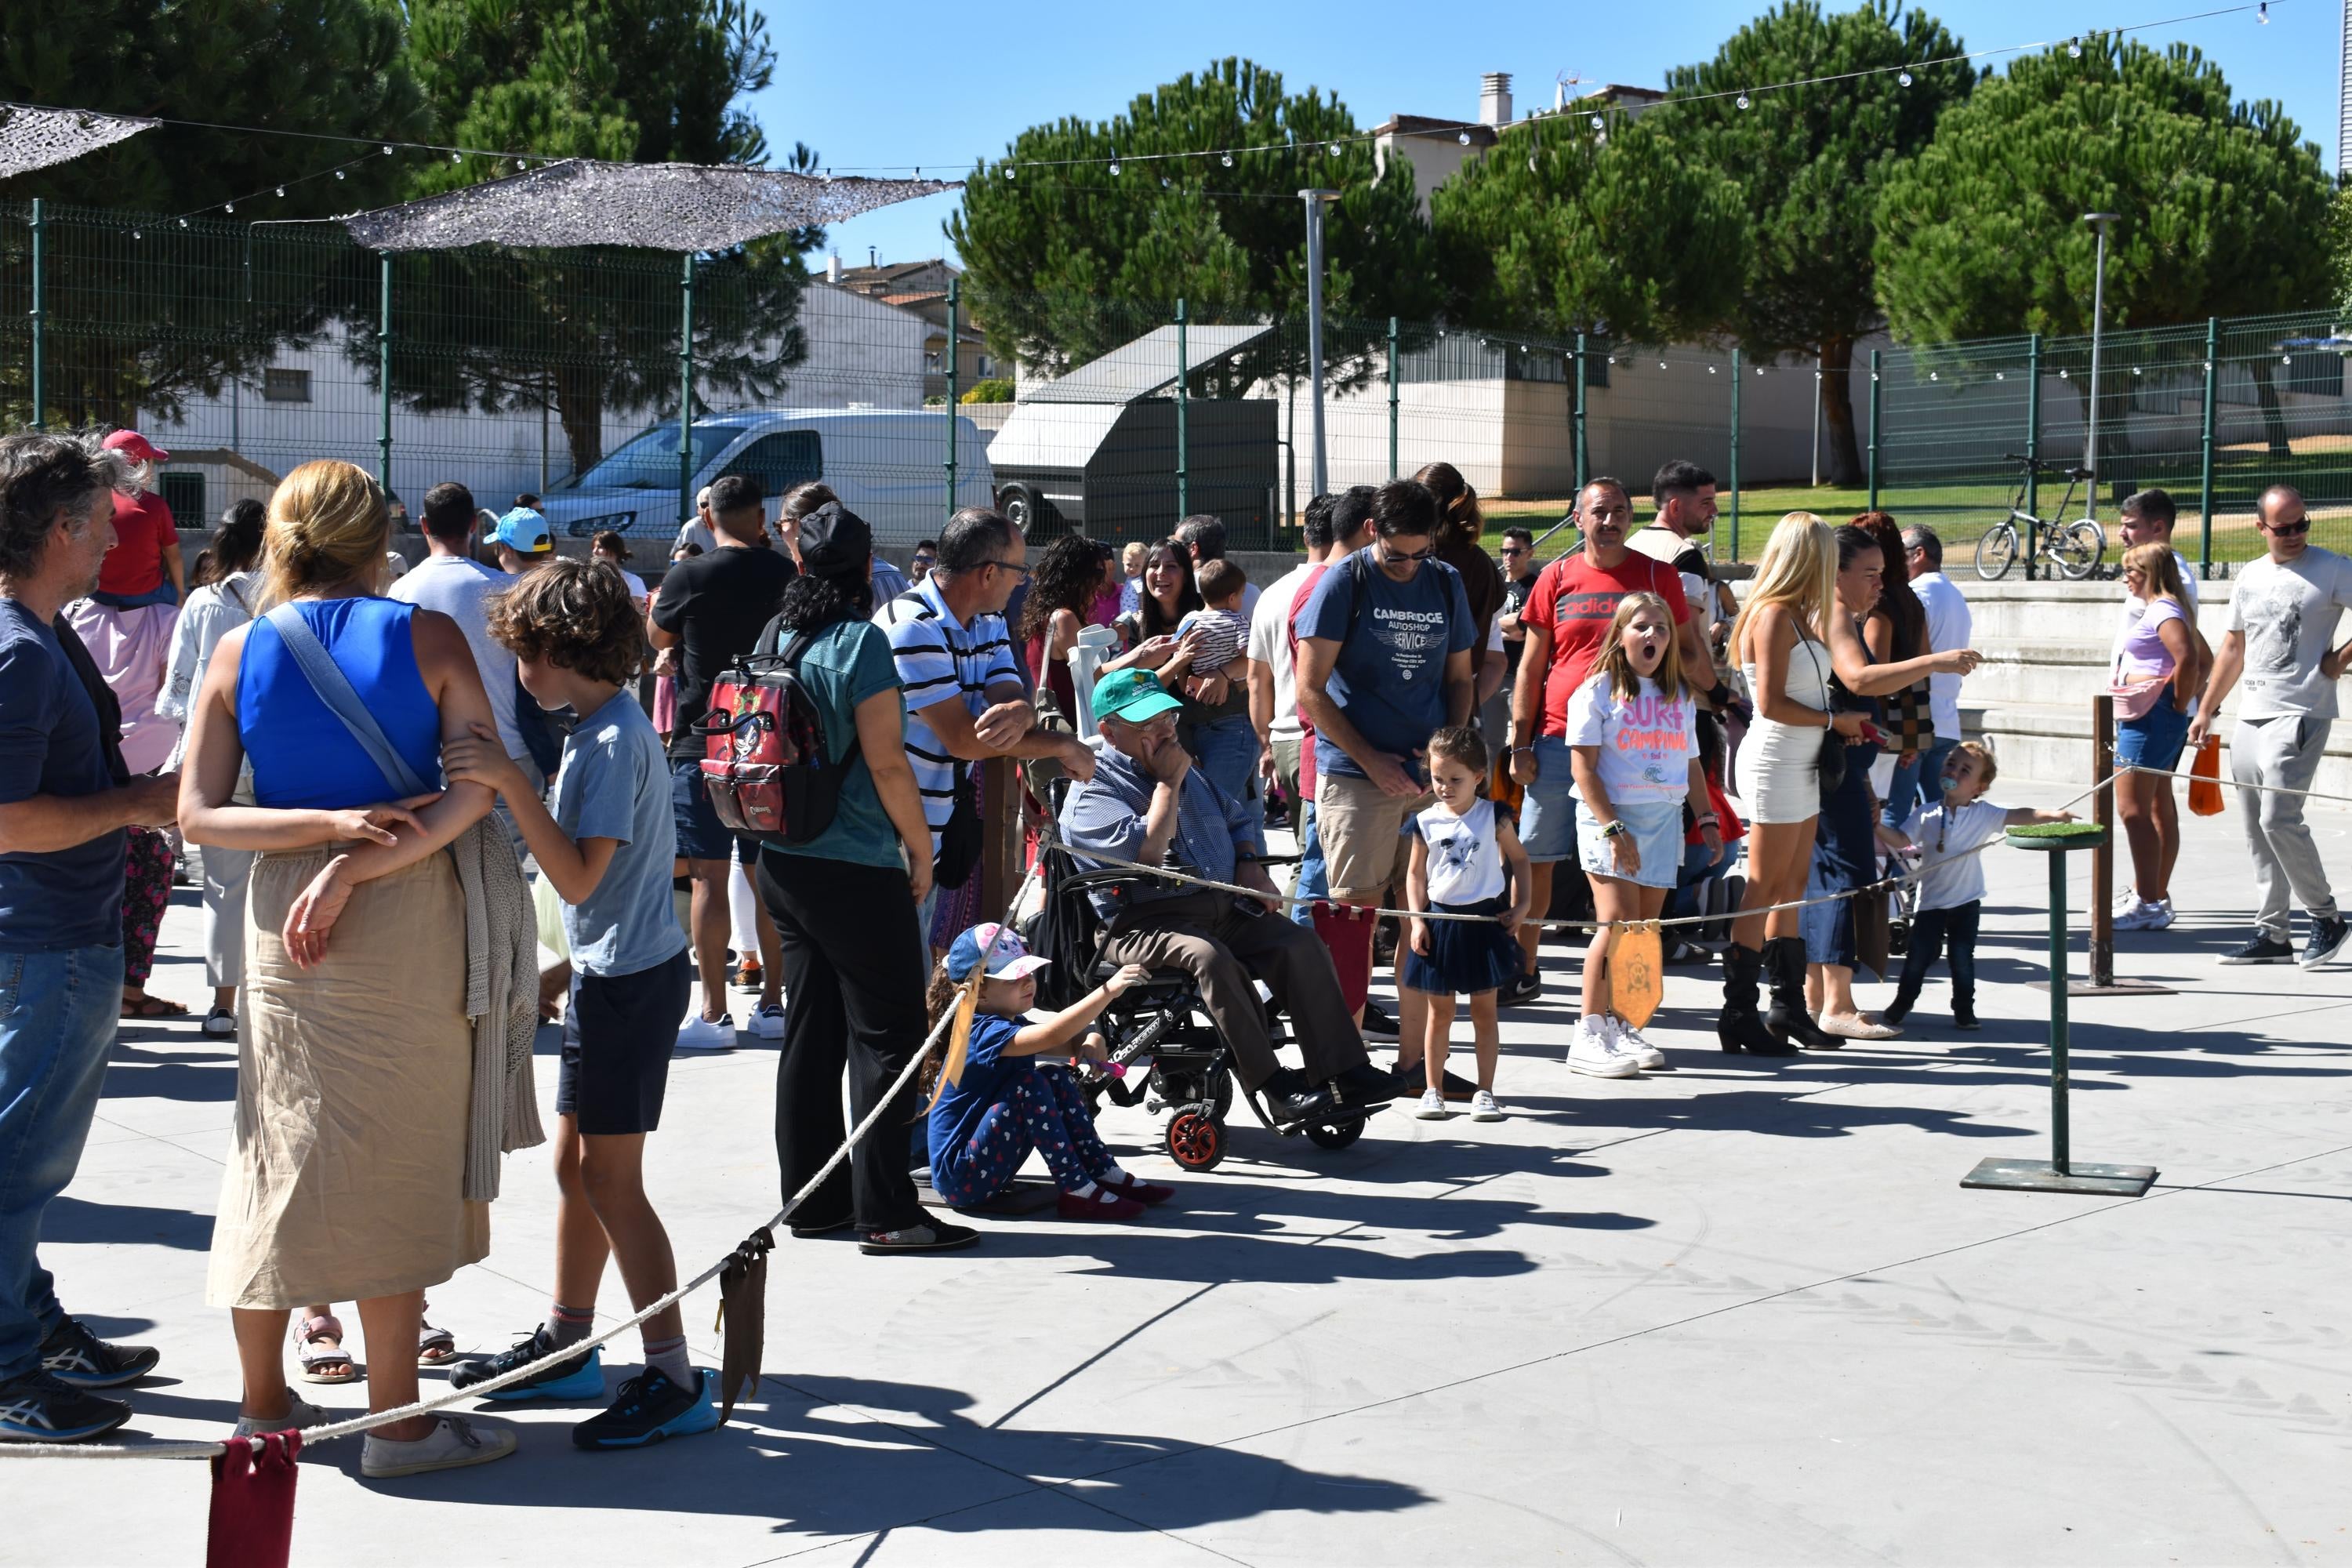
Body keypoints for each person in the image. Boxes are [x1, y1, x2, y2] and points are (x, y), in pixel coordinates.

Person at [180, 458, 525, 1477]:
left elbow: (198, 814)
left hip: (280, 918)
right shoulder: (427, 636)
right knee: (394, 1158)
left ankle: (259, 1409)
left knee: (275, 1148)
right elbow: (474, 790)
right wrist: (357, 855)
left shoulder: (241, 648)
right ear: (379, 538)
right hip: (409, 907)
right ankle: (397, 1425)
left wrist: (320, 842)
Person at [434, 558, 718, 1445]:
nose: (516, 668)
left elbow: (576, 874)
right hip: (610, 975)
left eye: (522, 652)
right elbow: (597, 893)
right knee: (574, 1167)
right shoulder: (606, 725)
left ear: (558, 653)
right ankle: (568, 1340)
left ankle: (673, 1372)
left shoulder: (604, 742)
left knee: (611, 1180)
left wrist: (511, 782)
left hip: (632, 985)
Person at [0, 431, 181, 1444]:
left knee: (22, 1159)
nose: (121, 529)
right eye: (105, 517)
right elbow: (8, 819)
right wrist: (136, 804)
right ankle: (9, 1372)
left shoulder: (44, 631)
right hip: (46, 943)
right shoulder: (21, 651)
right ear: (63, 531)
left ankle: (30, 1328)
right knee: (17, 1163)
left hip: (56, 940)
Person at [755, 503, 971, 1254]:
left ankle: (812, 1204)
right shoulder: (861, 645)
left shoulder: (775, 633)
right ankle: (889, 1211)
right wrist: (921, 850)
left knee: (810, 1033)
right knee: (889, 1036)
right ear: (865, 566)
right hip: (854, 864)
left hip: (781, 859)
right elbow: (887, 763)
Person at [1063, 669, 1393, 1121]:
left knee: (1298, 944)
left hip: (1220, 905)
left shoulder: (1183, 768)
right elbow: (1150, 850)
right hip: (1142, 923)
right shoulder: (1092, 790)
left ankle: (1345, 1071)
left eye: (1168, 721)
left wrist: (1249, 863)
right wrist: (1167, 783)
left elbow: (1238, 819)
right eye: (1147, 727)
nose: (1163, 734)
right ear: (1109, 732)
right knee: (1209, 958)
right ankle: (1275, 1087)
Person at [1508, 477, 1719, 1008]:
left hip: (1636, 752)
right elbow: (1532, 667)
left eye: (1620, 510)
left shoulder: (1657, 576)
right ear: (1578, 519)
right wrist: (1520, 741)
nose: (1610, 520)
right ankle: (1519, 969)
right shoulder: (1555, 577)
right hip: (1560, 741)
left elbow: (1688, 652)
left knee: (1631, 907)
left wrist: (1692, 690)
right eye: (1599, 511)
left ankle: (1627, 1011)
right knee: (1536, 861)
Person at [1294, 479, 1476, 1084]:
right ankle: (1343, 1063)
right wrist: (1372, 760)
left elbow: (1460, 678)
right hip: (1356, 778)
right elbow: (1309, 690)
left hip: (1427, 779)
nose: (1408, 567)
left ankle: (1418, 1065)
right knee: (1351, 920)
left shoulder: (1445, 582)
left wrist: (1447, 752)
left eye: (1420, 554)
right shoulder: (1342, 582)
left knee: (1424, 914)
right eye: (1397, 554)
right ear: (1372, 531)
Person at [874, 506, 1093, 954]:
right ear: (990, 573)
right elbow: (965, 739)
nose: (1023, 581)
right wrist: (1062, 745)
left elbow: (1010, 691)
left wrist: (1022, 711)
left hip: (934, 831)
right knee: (895, 994)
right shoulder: (913, 627)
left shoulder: (988, 619)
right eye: (1019, 570)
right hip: (891, 838)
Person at [1802, 523, 1979, 1043]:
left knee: (1825, 878)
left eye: (1885, 572)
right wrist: (1937, 661)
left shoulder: (1838, 612)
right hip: (1832, 766)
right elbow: (1859, 678)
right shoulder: (1834, 613)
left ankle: (1816, 998)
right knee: (1845, 877)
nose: (1882, 584)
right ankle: (1834, 1003)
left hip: (1844, 764)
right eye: (1872, 574)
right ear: (1838, 574)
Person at [649, 473, 793, 1044]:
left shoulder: (689, 574)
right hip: (771, 741)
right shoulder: (786, 573)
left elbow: (657, 638)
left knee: (707, 878)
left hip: (702, 740)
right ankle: (775, 1004)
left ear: (709, 520)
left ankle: (712, 1013)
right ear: (761, 520)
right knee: (770, 874)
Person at [2187, 484, 2352, 967]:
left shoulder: (2333, 567)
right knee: (2256, 828)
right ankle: (2273, 933)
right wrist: (2206, 709)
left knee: (2279, 819)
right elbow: (2234, 649)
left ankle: (2326, 916)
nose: (2297, 533)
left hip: (2301, 711)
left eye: (2303, 523)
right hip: (2252, 712)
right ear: (2262, 527)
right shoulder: (2250, 577)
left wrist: (2340, 659)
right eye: (2285, 527)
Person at [920, 926, 1173, 1220]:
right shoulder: (980, 1032)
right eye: (1015, 977)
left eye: (1029, 973)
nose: (1029, 981)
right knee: (1029, 1085)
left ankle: (1103, 1173)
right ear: (980, 991)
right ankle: (1076, 1189)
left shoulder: (1008, 1023)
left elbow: (1065, 1040)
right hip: (961, 1179)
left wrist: (1092, 1039)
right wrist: (1108, 991)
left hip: (983, 1164)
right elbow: (1052, 1034)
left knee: (1055, 1075)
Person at [1564, 593, 1716, 1077]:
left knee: (1645, 931)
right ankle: (1588, 1033)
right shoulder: (1596, 692)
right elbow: (1583, 768)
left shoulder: (1680, 695)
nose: (1653, 636)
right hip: (1611, 819)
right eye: (1642, 627)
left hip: (1664, 818)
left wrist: (1707, 818)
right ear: (1621, 634)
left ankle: (1626, 1024)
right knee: (1616, 923)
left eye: (1662, 628)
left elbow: (1691, 763)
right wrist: (1613, 828)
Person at [158, 499, 266, 1036]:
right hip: (276, 756)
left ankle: (224, 1004)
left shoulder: (202, 602)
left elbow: (179, 690)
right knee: (283, 874)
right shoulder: (287, 598)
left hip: (214, 757)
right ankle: (272, 993)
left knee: (222, 886)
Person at [1880, 742, 2076, 1030]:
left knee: (1961, 960)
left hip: (1966, 901)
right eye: (1950, 764)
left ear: (1979, 788)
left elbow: (2020, 815)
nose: (1954, 772)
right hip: (1930, 903)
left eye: (1965, 770)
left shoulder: (1984, 814)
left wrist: (2053, 814)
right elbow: (1900, 839)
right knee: (1917, 959)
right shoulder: (1927, 813)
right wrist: (1875, 826)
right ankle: (1901, 1005)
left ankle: (1964, 1009)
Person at [390, 483, 537, 848]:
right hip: (507, 752)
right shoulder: (508, 589)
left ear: (424, 525)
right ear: (474, 524)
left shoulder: (399, 595)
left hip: (433, 759)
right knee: (510, 881)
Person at [1401, 726, 1530, 1123]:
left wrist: (1522, 904)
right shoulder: (1426, 822)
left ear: (1478, 776)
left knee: (1484, 1013)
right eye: (1437, 778)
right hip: (1441, 923)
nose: (1444, 787)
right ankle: (1433, 1089)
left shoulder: (1494, 816)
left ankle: (1485, 1091)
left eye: (1455, 780)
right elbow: (1415, 876)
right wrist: (1419, 920)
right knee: (1439, 1014)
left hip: (1483, 924)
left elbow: (1521, 861)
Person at [2111, 490, 2208, 932]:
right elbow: (2199, 652)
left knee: (2139, 808)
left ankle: (2151, 899)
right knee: (2150, 805)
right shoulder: (2163, 594)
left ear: (2158, 528)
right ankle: (2151, 892)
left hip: (2152, 716)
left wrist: (2174, 702)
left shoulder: (2167, 592)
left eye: (2130, 525)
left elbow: (2190, 655)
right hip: (2147, 713)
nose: (2121, 534)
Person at [1250, 494, 1333, 833]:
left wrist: (1266, 745)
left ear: (1305, 537)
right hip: (1320, 740)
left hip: (1283, 741)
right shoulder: (1342, 586)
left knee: (1311, 854)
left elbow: (1257, 681)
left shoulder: (1271, 594)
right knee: (1315, 861)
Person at [1854, 513, 1933, 832]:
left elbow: (1874, 672)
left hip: (1878, 728)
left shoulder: (1880, 602)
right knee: (1883, 817)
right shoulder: (1910, 596)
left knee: (1867, 820)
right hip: (1904, 724)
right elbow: (1925, 660)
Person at [1900, 524, 1973, 819]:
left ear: (1919, 554)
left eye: (1898, 553)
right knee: (1940, 818)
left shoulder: (1915, 594)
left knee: (1900, 818)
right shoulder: (1954, 595)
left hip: (1917, 721)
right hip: (1945, 720)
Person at [1412, 462, 1505, 688]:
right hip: (1460, 699)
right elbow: (1496, 659)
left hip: (1415, 696)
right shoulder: (1482, 562)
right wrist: (1468, 710)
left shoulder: (1412, 559)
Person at [1174, 558, 1258, 801]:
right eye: (1242, 595)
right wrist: (1225, 669)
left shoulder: (1190, 620)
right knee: (1222, 804)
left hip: (1195, 699)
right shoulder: (1237, 621)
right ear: (1232, 598)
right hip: (1231, 704)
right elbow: (1251, 654)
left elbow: (1180, 651)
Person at [1018, 533, 1112, 719]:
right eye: (1098, 573)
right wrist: (1139, 657)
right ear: (1078, 577)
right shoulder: (1064, 619)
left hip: (1054, 731)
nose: (1101, 582)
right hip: (1074, 731)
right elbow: (1095, 678)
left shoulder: (1041, 618)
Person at [1488, 525, 1539, 743]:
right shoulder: (1494, 584)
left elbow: (1522, 628)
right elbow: (1482, 624)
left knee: (1523, 739)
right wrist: (1505, 627)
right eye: (1505, 551)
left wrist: (1492, 629)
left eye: (1516, 552)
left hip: (1519, 676)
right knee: (1491, 743)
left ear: (1529, 553)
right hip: (1491, 674)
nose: (1509, 557)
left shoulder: (1535, 587)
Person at [1172, 513, 1261, 618]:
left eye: (1177, 546)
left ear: (1193, 549)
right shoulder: (1254, 593)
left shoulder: (1176, 589)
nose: (1173, 552)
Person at [590, 529, 649, 608]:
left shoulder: (633, 581)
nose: (595, 551)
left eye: (600, 547)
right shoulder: (587, 578)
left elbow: (638, 612)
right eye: (593, 547)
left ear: (614, 550)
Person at [675, 485, 718, 555]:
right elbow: (679, 557)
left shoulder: (727, 526)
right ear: (698, 509)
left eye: (712, 505)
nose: (709, 509)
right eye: (704, 505)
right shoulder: (691, 528)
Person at [1118, 540, 1147, 615]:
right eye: (1129, 564)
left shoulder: (1140, 581)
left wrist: (1142, 613)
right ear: (1123, 563)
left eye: (1137, 565)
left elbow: (1142, 597)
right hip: (1127, 615)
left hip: (1135, 616)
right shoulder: (1131, 578)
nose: (1132, 569)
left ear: (1144, 565)